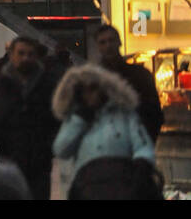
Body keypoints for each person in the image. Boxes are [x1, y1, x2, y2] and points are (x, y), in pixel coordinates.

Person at [52, 63, 159, 200]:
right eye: (84, 90)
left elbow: (143, 144)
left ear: (104, 88)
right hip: (88, 184)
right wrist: (80, 119)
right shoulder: (75, 119)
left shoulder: (124, 114)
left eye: (93, 88)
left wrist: (142, 167)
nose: (90, 94)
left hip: (123, 181)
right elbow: (61, 149)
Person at [0, 36, 60, 200]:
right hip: (7, 161)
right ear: (11, 54)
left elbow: (55, 120)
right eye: (21, 53)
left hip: (39, 162)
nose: (26, 58)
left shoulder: (47, 84)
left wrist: (48, 148)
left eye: (30, 54)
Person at [95, 23, 164, 144]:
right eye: (103, 42)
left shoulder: (140, 75)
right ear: (98, 47)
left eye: (111, 40)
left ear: (119, 42)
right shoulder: (92, 79)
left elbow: (154, 114)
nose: (108, 46)